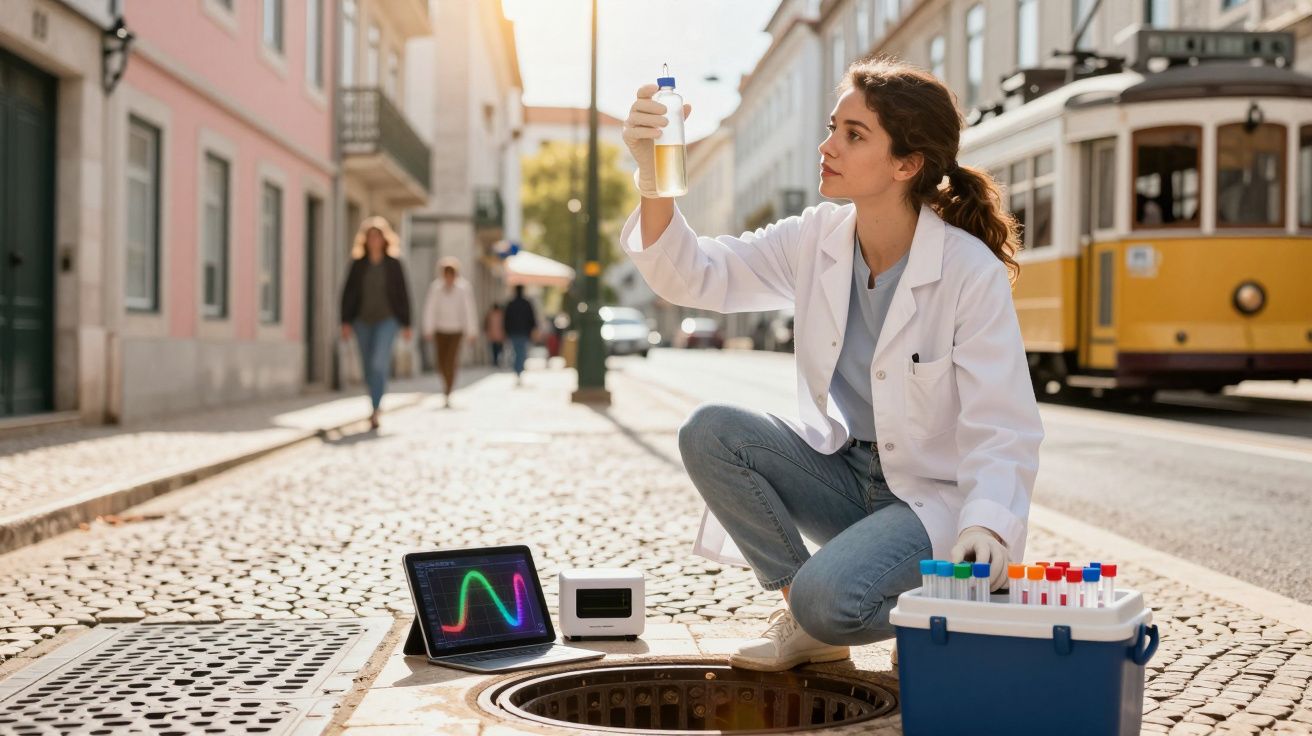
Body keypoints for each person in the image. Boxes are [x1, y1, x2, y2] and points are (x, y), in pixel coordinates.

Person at [619, 57, 1043, 672]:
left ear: (906, 164)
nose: (828, 146)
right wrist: (651, 178)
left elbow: (1003, 424)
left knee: (832, 597)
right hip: (844, 476)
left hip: (930, 505)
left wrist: (990, 529)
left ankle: (937, 614)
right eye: (832, 127)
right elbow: (696, 275)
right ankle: (808, 617)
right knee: (710, 431)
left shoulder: (966, 270)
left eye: (854, 134)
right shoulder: (815, 238)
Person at [339, 216, 412, 430]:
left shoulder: (394, 264)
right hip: (362, 320)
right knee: (367, 366)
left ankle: (376, 408)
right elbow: (348, 293)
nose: (374, 240)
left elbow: (403, 294)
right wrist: (345, 321)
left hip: (388, 320)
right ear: (365, 240)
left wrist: (407, 324)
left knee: (379, 362)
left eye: (377, 236)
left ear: (384, 239)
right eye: (370, 236)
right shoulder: (358, 264)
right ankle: (373, 402)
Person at [422, 257, 478, 407]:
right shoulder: (436, 288)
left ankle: (448, 388)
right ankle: (446, 384)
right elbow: (430, 309)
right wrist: (428, 328)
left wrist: (471, 331)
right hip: (440, 329)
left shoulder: (463, 288)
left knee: (451, 360)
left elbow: (468, 311)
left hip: (456, 330)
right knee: (440, 362)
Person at [503, 285, 537, 386]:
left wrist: (507, 331)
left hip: (514, 332)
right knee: (521, 352)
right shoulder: (526, 303)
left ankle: (517, 370)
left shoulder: (511, 304)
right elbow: (532, 319)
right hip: (523, 332)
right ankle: (519, 370)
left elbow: (506, 319)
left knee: (516, 352)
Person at [485, 303, 506, 368]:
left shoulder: (490, 315)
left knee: (494, 349)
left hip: (493, 334)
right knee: (499, 348)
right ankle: (498, 360)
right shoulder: (502, 314)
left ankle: (495, 361)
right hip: (500, 334)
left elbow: (486, 324)